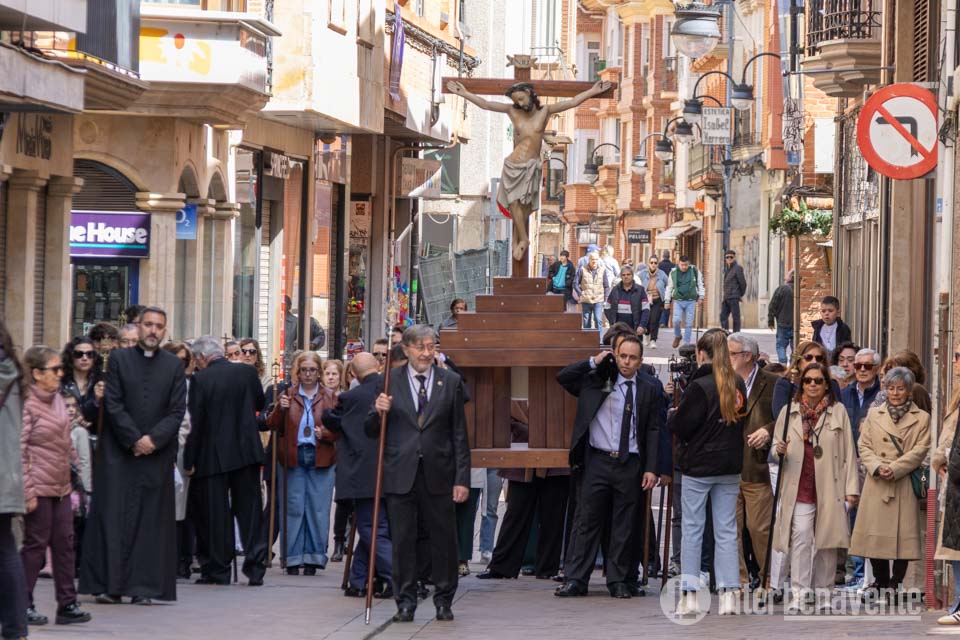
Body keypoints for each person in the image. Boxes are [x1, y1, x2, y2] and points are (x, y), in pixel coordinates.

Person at [79, 307, 187, 605]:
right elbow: (112, 403)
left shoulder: (172, 366)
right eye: (148, 325)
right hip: (119, 454)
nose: (153, 330)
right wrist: (134, 438)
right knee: (113, 518)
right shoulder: (118, 359)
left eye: (159, 326)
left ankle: (144, 587)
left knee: (150, 522)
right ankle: (111, 586)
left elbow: (177, 410)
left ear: (165, 331)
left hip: (155, 455)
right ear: (139, 328)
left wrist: (153, 439)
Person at [367, 325, 471, 623]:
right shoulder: (389, 381)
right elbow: (371, 431)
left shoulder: (449, 382)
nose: (427, 353)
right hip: (401, 473)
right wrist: (378, 410)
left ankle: (444, 599)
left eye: (431, 347)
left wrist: (461, 478)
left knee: (443, 540)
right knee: (403, 540)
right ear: (408, 350)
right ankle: (405, 600)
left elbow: (459, 434)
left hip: (439, 473)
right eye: (421, 347)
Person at [446, 79, 611, 262]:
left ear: (530, 94)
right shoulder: (512, 111)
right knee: (514, 202)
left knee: (523, 208)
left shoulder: (545, 111)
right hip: (512, 165)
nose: (520, 103)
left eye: (522, 98)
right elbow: (486, 104)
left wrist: (593, 91)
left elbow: (571, 102)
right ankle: (523, 240)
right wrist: (464, 93)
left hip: (531, 167)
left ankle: (520, 242)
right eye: (517, 101)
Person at [553, 335, 660, 599]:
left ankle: (619, 580)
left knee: (624, 524)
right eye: (622, 356)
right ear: (614, 354)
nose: (626, 362)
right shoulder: (597, 379)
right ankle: (576, 578)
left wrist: (651, 468)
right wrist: (593, 361)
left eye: (633, 358)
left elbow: (655, 429)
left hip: (630, 462)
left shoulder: (649, 387)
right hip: (597, 459)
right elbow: (563, 378)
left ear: (640, 361)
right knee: (586, 521)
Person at [670, 330, 748, 616]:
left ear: (702, 354)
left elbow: (682, 425)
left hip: (700, 465)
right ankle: (728, 592)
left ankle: (690, 594)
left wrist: (674, 416)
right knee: (726, 529)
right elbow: (742, 418)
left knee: (692, 529)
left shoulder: (699, 385)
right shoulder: (736, 382)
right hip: (729, 465)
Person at [772, 361, 859, 607]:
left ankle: (823, 593)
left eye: (818, 381)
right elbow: (775, 446)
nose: (812, 385)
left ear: (826, 385)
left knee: (826, 541)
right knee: (800, 537)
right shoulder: (789, 411)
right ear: (801, 384)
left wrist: (851, 489)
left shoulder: (838, 410)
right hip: (798, 483)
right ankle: (799, 593)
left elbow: (848, 452)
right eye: (808, 380)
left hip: (830, 484)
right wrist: (777, 449)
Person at [184, 336, 267, 586]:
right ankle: (255, 568)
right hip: (245, 452)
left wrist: (189, 459)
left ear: (200, 358)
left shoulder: (200, 379)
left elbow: (195, 423)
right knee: (250, 512)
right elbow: (260, 403)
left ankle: (218, 570)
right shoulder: (246, 373)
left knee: (215, 515)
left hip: (213, 456)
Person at [20, 346, 92, 626]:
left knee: (65, 544)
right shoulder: (26, 403)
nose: (60, 374)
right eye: (54, 369)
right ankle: (22, 603)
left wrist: (77, 481)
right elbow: (19, 449)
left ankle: (67, 603)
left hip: (61, 485)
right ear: (37, 373)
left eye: (61, 368)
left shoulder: (58, 400)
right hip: (37, 485)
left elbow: (66, 442)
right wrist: (27, 490)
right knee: (35, 546)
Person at [850, 367, 930, 598]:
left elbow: (920, 450)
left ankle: (895, 582)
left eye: (900, 388)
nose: (895, 393)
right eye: (891, 388)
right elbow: (863, 445)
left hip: (902, 482)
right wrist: (877, 466)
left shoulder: (922, 418)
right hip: (877, 483)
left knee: (902, 540)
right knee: (875, 538)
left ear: (909, 391)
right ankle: (881, 580)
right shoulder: (874, 414)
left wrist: (894, 468)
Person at [322, 353, 392, 598]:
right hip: (391, 470)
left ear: (353, 374)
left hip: (362, 472)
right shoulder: (392, 387)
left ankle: (398, 578)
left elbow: (331, 419)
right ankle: (358, 580)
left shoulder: (351, 397)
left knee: (371, 527)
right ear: (378, 366)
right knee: (373, 528)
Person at [267, 352, 340, 575]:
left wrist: (325, 433)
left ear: (319, 372)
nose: (308, 374)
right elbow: (272, 425)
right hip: (293, 455)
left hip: (321, 455)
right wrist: (280, 407)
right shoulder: (287, 395)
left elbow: (341, 428)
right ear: (297, 373)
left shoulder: (330, 397)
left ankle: (314, 557)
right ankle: (291, 557)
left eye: (312, 370)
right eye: (304, 370)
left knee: (318, 508)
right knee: (293, 506)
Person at [727, 333, 777, 593]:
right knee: (730, 529)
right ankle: (738, 580)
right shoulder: (723, 382)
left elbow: (787, 417)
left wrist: (768, 431)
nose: (727, 358)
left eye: (731, 354)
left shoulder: (773, 382)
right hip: (727, 468)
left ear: (747, 356)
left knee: (759, 528)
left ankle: (768, 579)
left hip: (757, 469)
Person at [837, 347, 881, 591]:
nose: (862, 370)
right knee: (851, 517)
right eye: (859, 365)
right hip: (848, 462)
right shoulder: (845, 394)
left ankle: (866, 574)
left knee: (868, 519)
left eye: (868, 366)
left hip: (871, 464)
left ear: (876, 369)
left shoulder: (882, 395)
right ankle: (856, 572)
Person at [0, 322, 28, 639]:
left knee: (6, 549)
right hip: (6, 474)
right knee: (5, 547)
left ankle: (14, 625)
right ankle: (15, 626)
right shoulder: (11, 369)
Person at [162, 341, 194, 581]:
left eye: (184, 361)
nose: (180, 365)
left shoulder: (189, 386)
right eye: (176, 360)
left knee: (178, 510)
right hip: (153, 451)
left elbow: (186, 424)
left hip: (178, 452)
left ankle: (178, 561)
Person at [935, 349, 960, 625]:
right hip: (952, 480)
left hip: (957, 477)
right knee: (954, 548)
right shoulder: (956, 394)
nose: (955, 360)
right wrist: (939, 460)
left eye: (958, 355)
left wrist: (950, 464)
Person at [772, 341, 839, 421]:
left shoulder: (832, 385)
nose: (814, 362)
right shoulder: (785, 384)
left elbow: (838, 416)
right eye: (808, 357)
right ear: (798, 362)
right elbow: (780, 417)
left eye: (819, 358)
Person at [60, 337, 104, 426]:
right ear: (71, 356)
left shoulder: (100, 380)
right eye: (78, 354)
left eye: (89, 354)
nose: (84, 358)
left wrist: (96, 400)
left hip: (94, 435)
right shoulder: (60, 380)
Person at [664, 255, 705, 349]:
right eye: (682, 265)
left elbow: (700, 283)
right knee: (676, 321)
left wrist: (701, 296)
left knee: (689, 323)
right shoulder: (673, 272)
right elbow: (669, 287)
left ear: (689, 264)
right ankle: (677, 335)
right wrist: (667, 300)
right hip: (678, 300)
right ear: (678, 264)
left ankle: (686, 343)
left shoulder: (694, 271)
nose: (684, 267)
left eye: (686, 265)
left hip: (691, 301)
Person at [573, 250, 611, 340]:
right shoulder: (582, 269)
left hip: (598, 299)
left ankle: (600, 340)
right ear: (589, 260)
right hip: (586, 299)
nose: (594, 261)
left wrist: (606, 299)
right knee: (586, 321)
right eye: (593, 259)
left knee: (598, 319)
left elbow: (606, 286)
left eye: (596, 259)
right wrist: (580, 292)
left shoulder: (602, 270)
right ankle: (587, 340)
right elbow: (575, 283)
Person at [603, 265, 650, 335]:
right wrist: (613, 323)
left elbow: (646, 309)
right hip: (618, 330)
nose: (626, 276)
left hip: (635, 329)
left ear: (632, 275)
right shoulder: (615, 290)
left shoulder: (640, 290)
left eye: (628, 274)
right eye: (623, 275)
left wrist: (641, 325)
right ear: (621, 277)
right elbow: (607, 307)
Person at [637, 254, 668, 348]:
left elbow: (668, 285)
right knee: (647, 320)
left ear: (658, 264)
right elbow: (637, 283)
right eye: (651, 262)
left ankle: (653, 340)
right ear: (648, 263)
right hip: (645, 300)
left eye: (655, 263)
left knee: (654, 320)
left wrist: (666, 299)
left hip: (657, 299)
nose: (653, 264)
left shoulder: (662, 274)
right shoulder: (642, 274)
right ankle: (646, 335)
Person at [767, 271, 794, 363]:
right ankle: (793, 366)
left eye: (787, 275)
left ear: (790, 277)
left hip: (783, 323)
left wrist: (770, 321)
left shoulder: (782, 289)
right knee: (796, 347)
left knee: (781, 346)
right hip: (796, 324)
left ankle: (782, 365)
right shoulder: (799, 290)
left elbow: (772, 305)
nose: (785, 277)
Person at [720, 250, 747, 333]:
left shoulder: (738, 268)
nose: (729, 259)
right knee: (723, 316)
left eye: (731, 257)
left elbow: (743, 283)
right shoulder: (727, 269)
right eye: (727, 257)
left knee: (735, 317)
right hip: (726, 297)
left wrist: (739, 294)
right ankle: (726, 333)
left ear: (734, 258)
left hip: (734, 297)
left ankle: (736, 334)